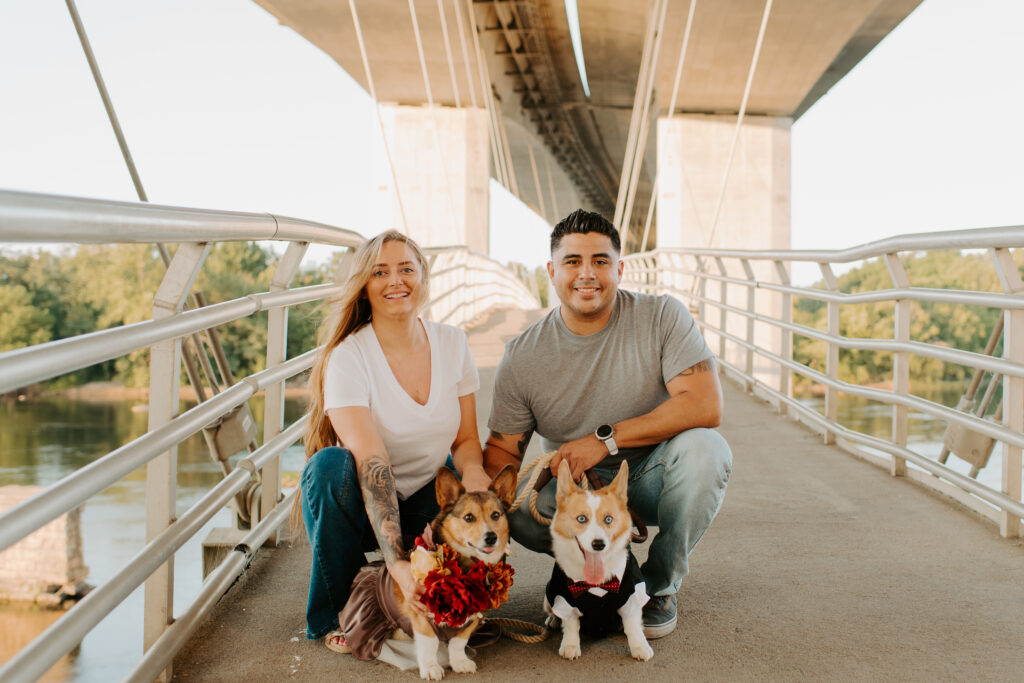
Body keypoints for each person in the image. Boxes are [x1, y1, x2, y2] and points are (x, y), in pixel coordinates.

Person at [483, 208, 732, 639]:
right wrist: (470, 528)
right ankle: (578, 582)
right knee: (520, 510)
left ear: (620, 267)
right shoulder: (523, 356)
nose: (587, 274)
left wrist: (605, 441)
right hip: (576, 492)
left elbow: (705, 405)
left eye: (600, 261)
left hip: (654, 476)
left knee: (708, 452)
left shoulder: (661, 316)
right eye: (573, 262)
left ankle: (656, 586)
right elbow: (503, 454)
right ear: (551, 271)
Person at [301, 230, 491, 653]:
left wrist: (477, 479)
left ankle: (410, 598)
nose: (396, 281)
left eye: (407, 268)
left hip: (427, 500)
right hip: (362, 507)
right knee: (328, 466)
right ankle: (335, 614)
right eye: (380, 272)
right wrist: (396, 560)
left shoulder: (453, 342)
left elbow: (465, 441)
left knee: (462, 482)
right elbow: (372, 460)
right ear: (365, 287)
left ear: (423, 276)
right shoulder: (349, 357)